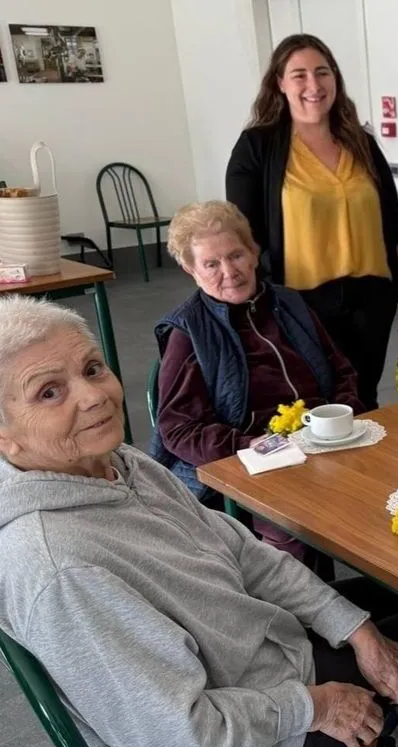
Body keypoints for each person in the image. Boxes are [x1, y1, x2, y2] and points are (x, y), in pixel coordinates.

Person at [0, 295, 398, 747]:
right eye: (49, 392)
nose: (94, 396)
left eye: (92, 368)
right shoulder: (58, 568)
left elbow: (244, 553)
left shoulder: (118, 467)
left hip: (249, 666)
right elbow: (181, 731)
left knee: (384, 610)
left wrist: (356, 629)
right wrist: (316, 705)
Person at [151, 200, 362, 566]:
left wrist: (341, 414)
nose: (229, 272)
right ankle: (297, 609)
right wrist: (251, 445)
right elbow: (178, 429)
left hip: (321, 442)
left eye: (235, 255)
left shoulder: (289, 303)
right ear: (191, 270)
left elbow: (341, 371)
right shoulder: (189, 332)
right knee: (290, 525)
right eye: (211, 264)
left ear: (253, 253)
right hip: (255, 461)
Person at [226, 33, 398, 412]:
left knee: (363, 401)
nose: (313, 85)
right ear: (279, 83)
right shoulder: (258, 147)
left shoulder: (360, 142)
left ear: (335, 79)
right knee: (313, 405)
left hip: (370, 301)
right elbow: (244, 241)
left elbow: (395, 228)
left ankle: (365, 472)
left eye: (322, 72)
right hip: (300, 307)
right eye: (299, 75)